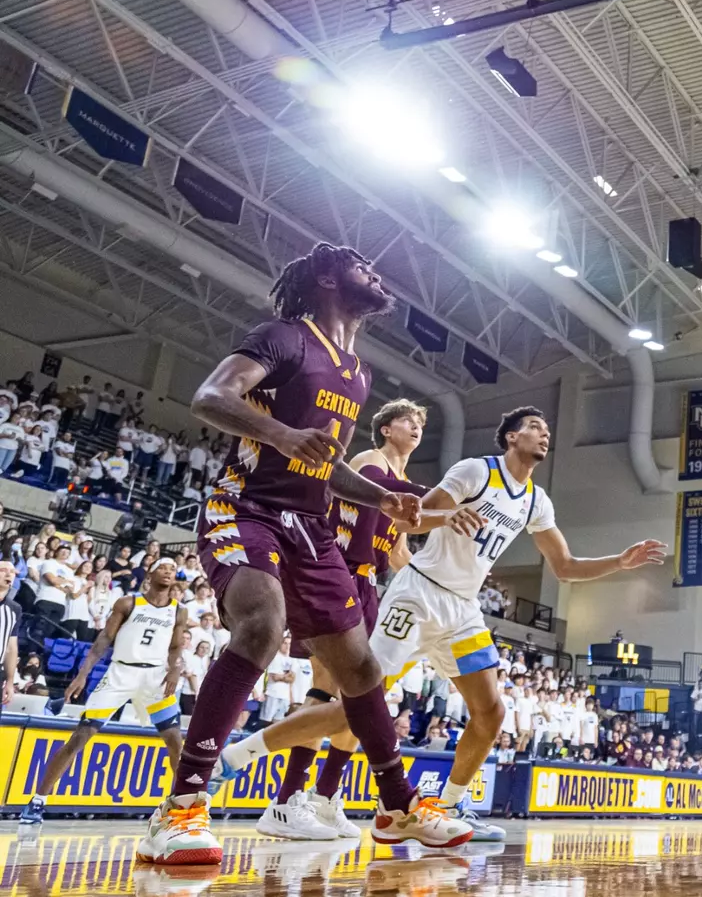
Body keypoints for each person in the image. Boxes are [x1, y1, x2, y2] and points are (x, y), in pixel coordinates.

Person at [136, 243, 470, 866]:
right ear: (325, 279)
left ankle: (398, 807)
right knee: (262, 622)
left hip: (310, 524)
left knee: (360, 668)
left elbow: (328, 464)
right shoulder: (285, 337)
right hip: (247, 506)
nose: (373, 270)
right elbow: (210, 397)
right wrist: (285, 435)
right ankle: (179, 807)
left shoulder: (357, 371)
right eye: (357, 264)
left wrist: (383, 498)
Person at [219, 405, 664, 843]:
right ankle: (237, 755)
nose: (544, 434)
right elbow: (407, 517)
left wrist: (619, 563)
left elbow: (564, 567)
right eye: (534, 427)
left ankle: (448, 805)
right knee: (355, 708)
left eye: (547, 429)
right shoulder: (476, 471)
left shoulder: (535, 501)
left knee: (491, 712)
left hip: (463, 609)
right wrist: (448, 516)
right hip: (419, 595)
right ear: (511, 437)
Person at [213, 398, 431, 840]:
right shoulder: (368, 464)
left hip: (370, 582)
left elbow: (396, 552)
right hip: (335, 572)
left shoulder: (401, 485)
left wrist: (436, 582)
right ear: (386, 429)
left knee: (367, 697)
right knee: (325, 690)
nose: (417, 428)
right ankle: (285, 802)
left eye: (421, 424)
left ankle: (324, 799)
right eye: (408, 421)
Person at [20, 559, 188, 824]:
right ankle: (37, 801)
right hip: (121, 672)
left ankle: (182, 806)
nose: (168, 572)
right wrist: (83, 674)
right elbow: (103, 641)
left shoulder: (179, 611)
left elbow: (176, 647)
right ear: (150, 572)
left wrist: (176, 668)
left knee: (175, 741)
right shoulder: (128, 603)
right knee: (81, 736)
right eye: (162, 567)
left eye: (171, 568)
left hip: (154, 676)